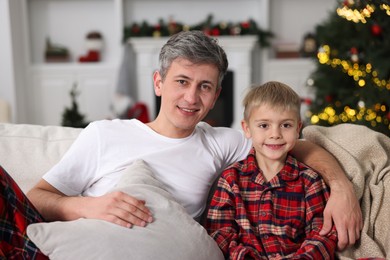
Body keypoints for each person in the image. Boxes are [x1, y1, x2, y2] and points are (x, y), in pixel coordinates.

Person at [1, 31, 360, 258]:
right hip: (74, 246)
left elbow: (296, 144)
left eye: (205, 86)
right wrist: (88, 206)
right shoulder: (104, 134)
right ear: (159, 82)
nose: (191, 97)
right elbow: (35, 198)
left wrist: (342, 187)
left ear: (217, 94)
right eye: (182, 81)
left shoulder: (223, 143)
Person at [205, 81, 338, 259]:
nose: (275, 134)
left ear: (298, 128)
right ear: (247, 128)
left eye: (286, 125)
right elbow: (219, 233)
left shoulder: (310, 180)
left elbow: (323, 234)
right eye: (264, 125)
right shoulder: (231, 179)